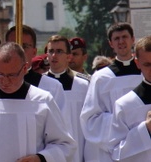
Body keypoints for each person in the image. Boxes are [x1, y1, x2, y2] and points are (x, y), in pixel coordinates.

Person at [0, 42, 76, 161]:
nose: (5, 81)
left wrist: (41, 158)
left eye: (12, 75)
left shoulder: (42, 101)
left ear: (25, 68)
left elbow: (64, 145)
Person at [80, 23, 142, 162]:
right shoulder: (101, 78)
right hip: (112, 147)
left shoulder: (145, 74)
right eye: (117, 38)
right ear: (111, 44)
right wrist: (120, 122)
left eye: (125, 37)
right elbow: (90, 118)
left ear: (133, 39)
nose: (121, 42)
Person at [44, 35, 89, 162]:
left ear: (68, 56)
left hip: (77, 151)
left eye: (59, 51)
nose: (54, 55)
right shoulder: (40, 85)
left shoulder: (82, 85)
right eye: (51, 51)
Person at [106, 35, 151, 161]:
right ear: (137, 63)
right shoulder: (125, 105)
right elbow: (115, 152)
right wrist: (145, 130)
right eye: (147, 64)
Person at [5, 25, 66, 110]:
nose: (19, 52)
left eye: (25, 46)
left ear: (34, 52)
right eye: (13, 46)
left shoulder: (52, 87)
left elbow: (59, 122)